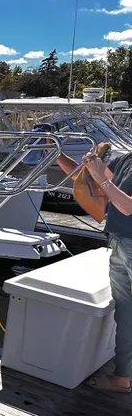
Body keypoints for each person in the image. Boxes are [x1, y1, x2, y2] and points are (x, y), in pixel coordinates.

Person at [56, 148, 132, 392]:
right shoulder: (127, 159)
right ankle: (122, 377)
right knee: (125, 311)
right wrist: (57, 153)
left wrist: (101, 177)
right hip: (118, 242)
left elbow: (128, 207)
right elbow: (88, 180)